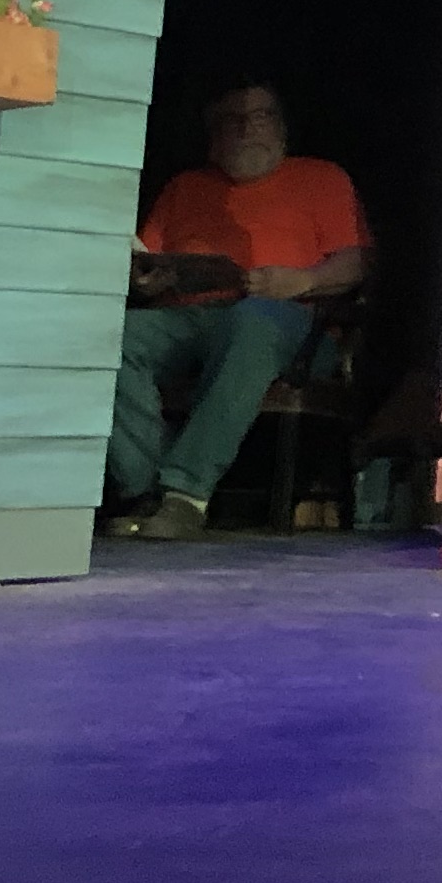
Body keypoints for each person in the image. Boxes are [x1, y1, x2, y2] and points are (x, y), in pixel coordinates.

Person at [109, 79, 367, 541]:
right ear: (213, 137)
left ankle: (185, 494)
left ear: (282, 129)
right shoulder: (186, 187)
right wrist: (147, 279)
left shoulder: (321, 178)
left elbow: (355, 263)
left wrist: (303, 280)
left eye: (261, 116)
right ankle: (144, 493)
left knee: (253, 320)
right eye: (233, 120)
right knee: (113, 335)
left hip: (288, 320)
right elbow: (146, 259)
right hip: (189, 315)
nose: (248, 129)